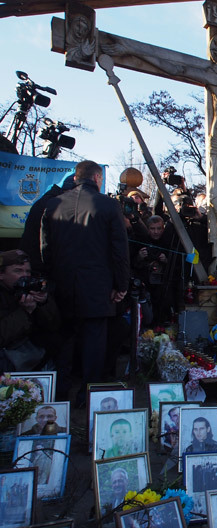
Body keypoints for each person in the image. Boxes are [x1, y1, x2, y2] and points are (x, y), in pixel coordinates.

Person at [41, 160, 130, 404]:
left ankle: (59, 393)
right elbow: (119, 250)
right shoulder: (109, 205)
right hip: (97, 286)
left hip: (63, 284)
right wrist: (121, 285)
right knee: (93, 342)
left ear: (76, 177)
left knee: (64, 340)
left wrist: (50, 279)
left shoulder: (53, 204)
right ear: (97, 179)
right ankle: (87, 394)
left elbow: (45, 249)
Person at [0, 249, 60, 374]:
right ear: (2, 274)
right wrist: (25, 312)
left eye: (28, 271)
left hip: (36, 357)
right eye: (18, 271)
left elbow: (54, 325)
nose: (25, 276)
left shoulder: (32, 289)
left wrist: (44, 303)